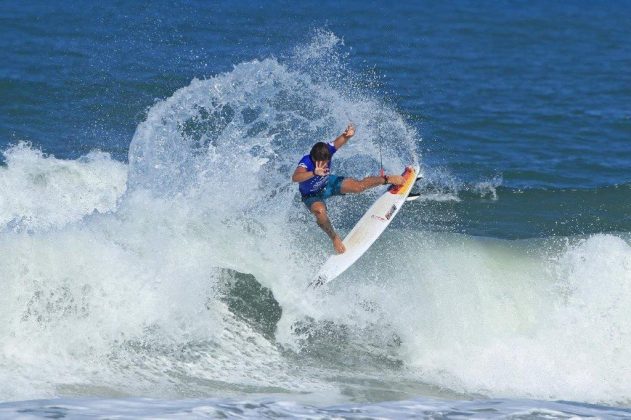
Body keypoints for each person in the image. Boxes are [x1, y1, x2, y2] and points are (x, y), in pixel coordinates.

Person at [292, 124, 405, 254]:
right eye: (320, 163)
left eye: (326, 161)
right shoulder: (306, 162)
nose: (324, 165)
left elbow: (339, 141)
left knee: (358, 186)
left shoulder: (327, 150)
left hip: (328, 183)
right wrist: (314, 173)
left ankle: (387, 179)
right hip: (311, 195)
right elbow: (295, 177)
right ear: (313, 158)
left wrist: (347, 135)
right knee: (319, 212)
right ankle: (335, 238)